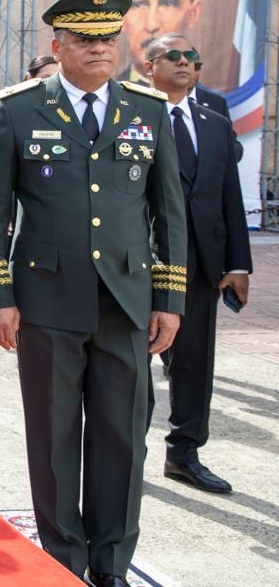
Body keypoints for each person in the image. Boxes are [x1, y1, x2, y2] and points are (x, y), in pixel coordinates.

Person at [0, 0, 186, 586]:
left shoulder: (146, 109)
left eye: (108, 37)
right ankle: (63, 560)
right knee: (55, 436)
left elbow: (168, 213)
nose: (100, 48)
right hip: (46, 303)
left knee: (123, 439)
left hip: (126, 303)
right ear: (57, 45)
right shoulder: (17, 109)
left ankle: (112, 563)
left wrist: (169, 301)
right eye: (86, 39)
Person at [143, 34, 251, 494]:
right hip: (140, 261)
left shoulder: (213, 121)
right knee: (133, 363)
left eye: (193, 58)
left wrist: (238, 264)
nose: (186, 63)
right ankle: (126, 453)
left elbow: (229, 194)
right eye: (175, 56)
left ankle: (184, 454)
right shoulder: (130, 117)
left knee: (193, 364)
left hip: (201, 261)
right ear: (150, 66)